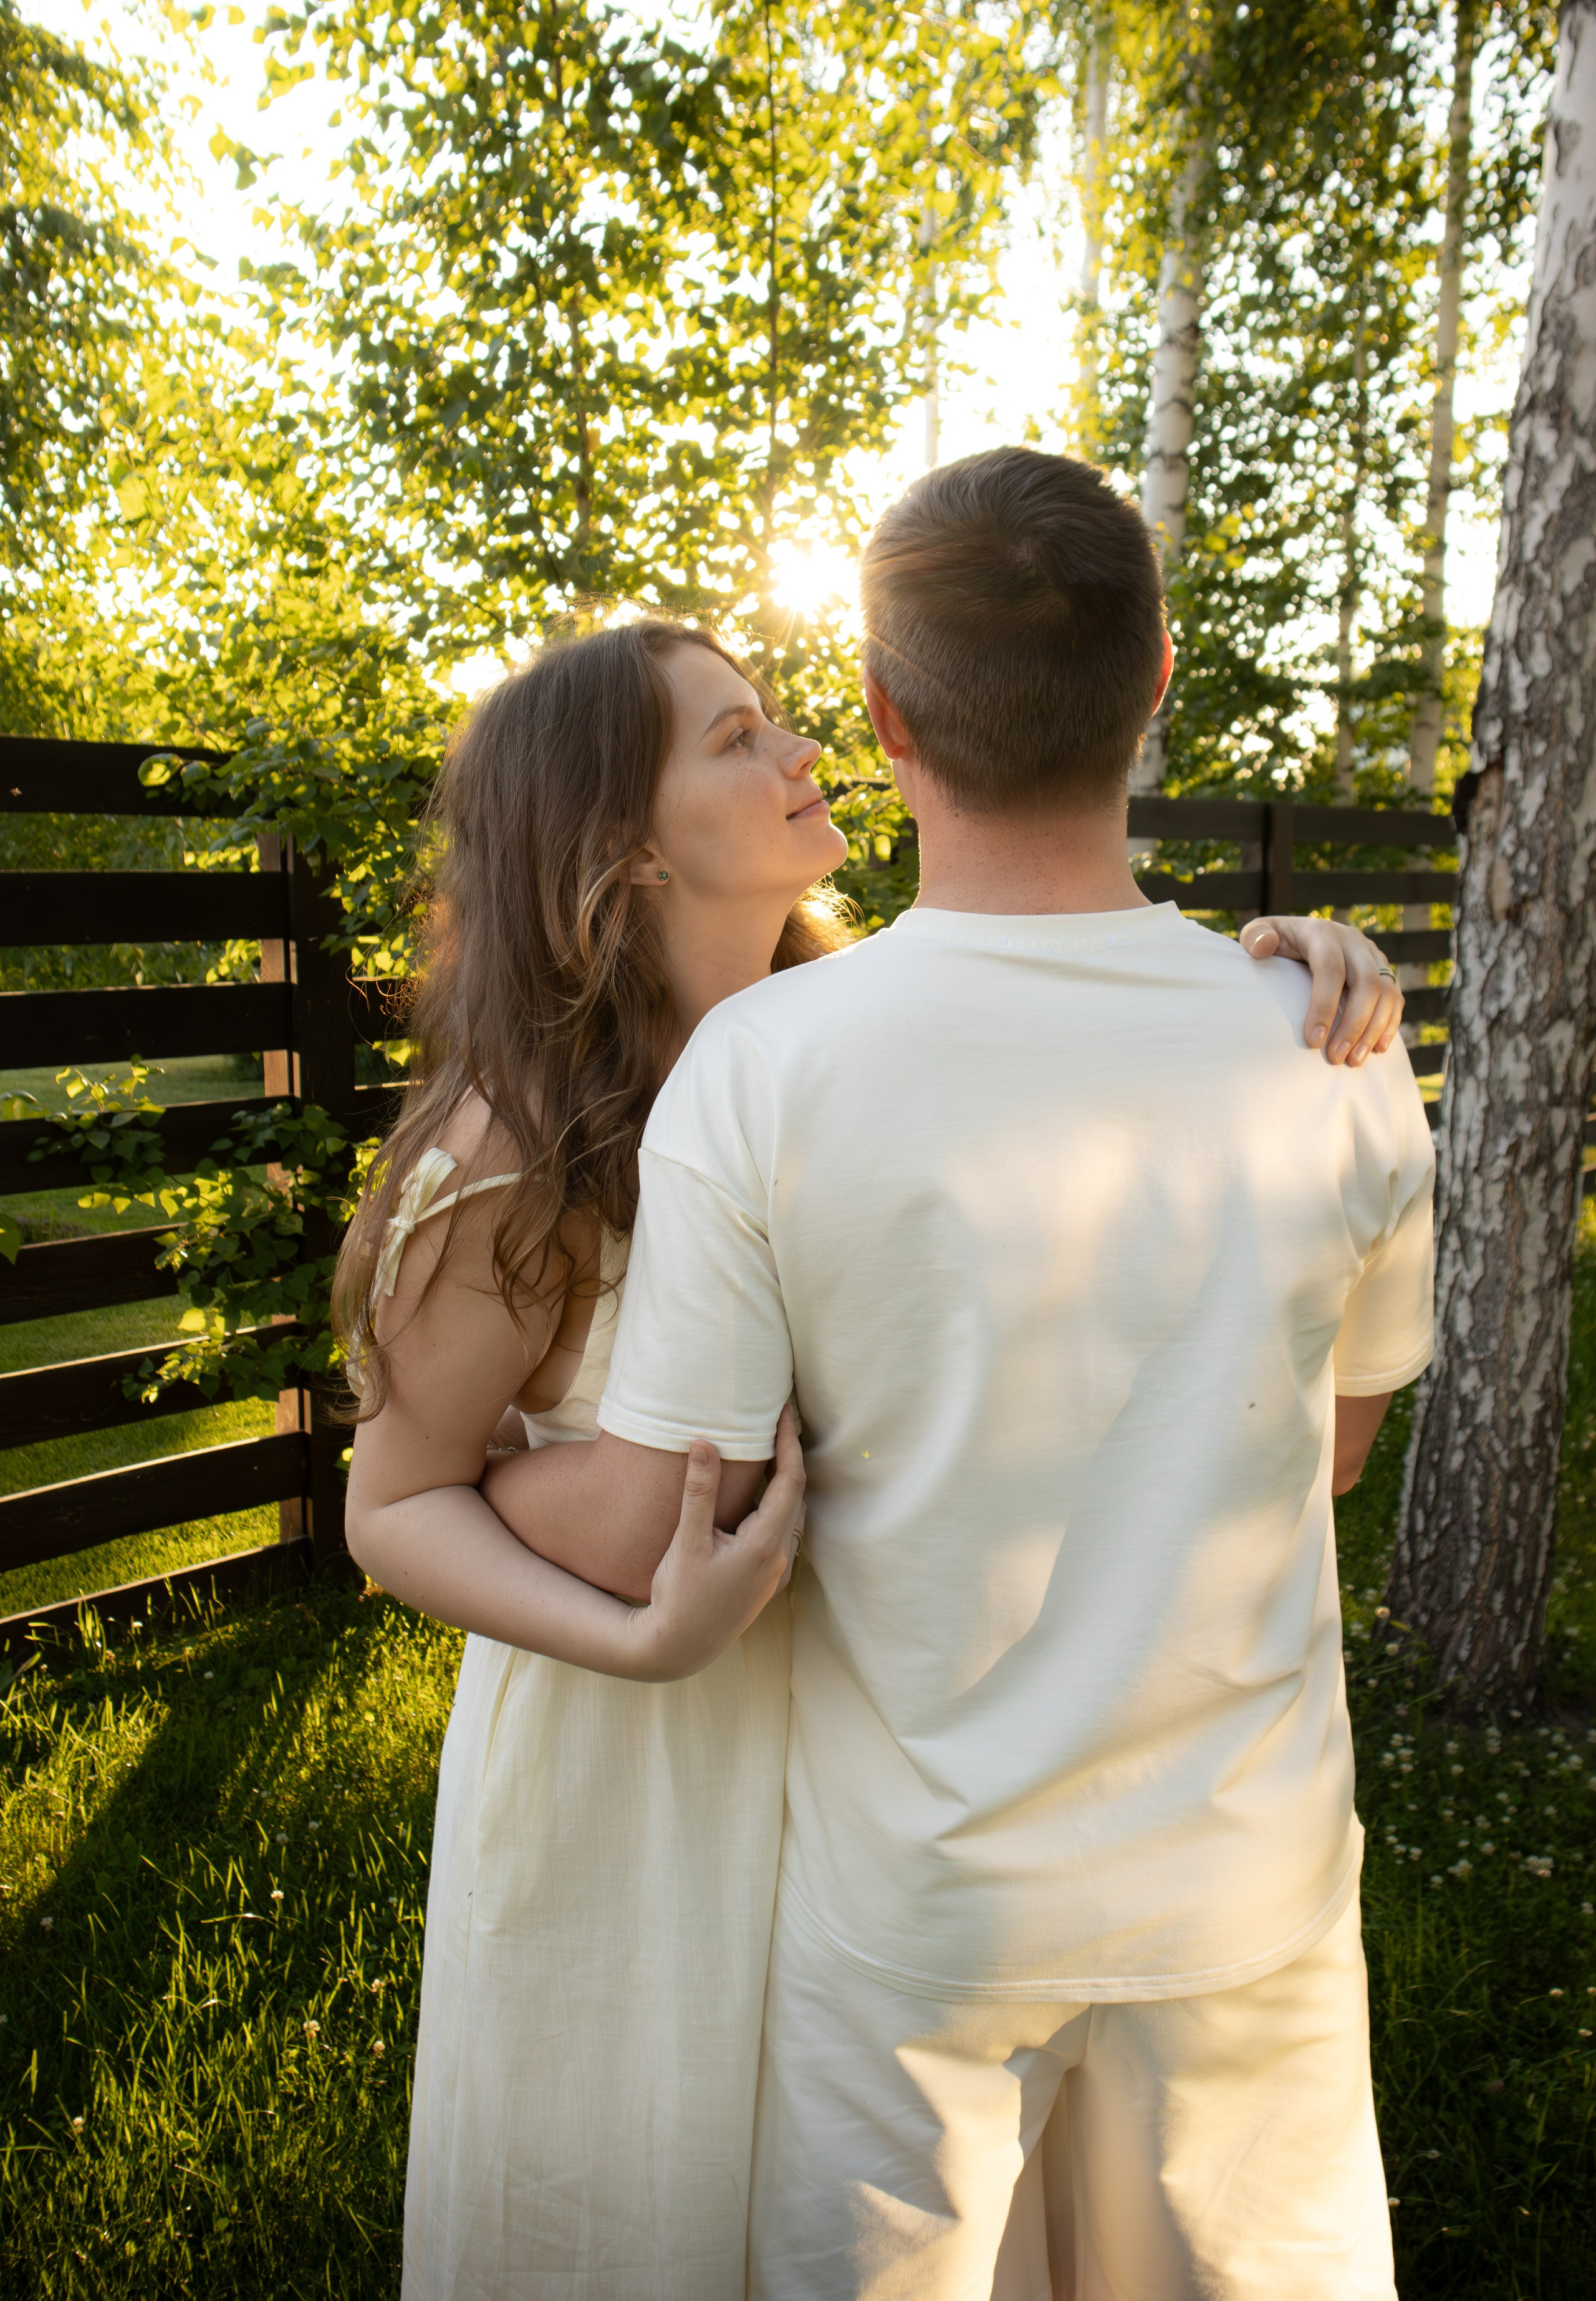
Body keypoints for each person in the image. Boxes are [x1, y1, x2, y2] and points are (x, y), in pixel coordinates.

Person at [342, 570, 1403, 2299]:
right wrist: (640, 1621)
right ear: (618, 843)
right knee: (666, 2195)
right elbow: (393, 1503)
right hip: (648, 1745)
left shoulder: (839, 1048)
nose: (804, 749)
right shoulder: (515, 1143)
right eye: (738, 737)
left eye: (791, 714)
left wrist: (1286, 973)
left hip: (877, 1739)